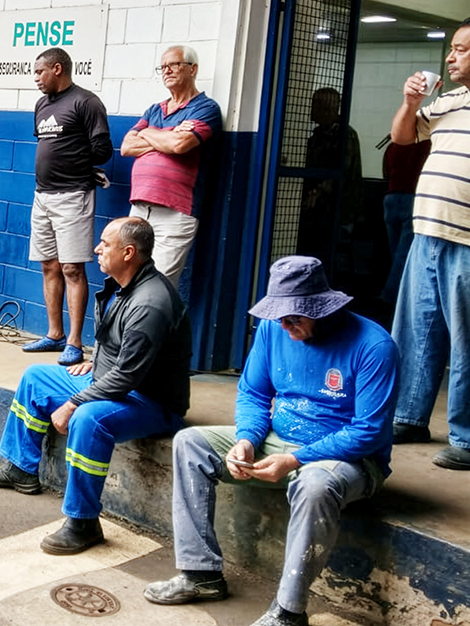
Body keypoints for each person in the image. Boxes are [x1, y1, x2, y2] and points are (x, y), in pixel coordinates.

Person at [144, 256, 396, 626]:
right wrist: (246, 439)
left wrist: (295, 460)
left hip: (350, 459)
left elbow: (368, 431)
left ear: (322, 309)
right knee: (190, 443)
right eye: (279, 317)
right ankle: (201, 574)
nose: (284, 326)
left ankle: (289, 612)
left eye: (294, 318)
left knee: (315, 485)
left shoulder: (374, 345)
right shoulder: (273, 328)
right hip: (280, 440)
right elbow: (253, 394)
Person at [0, 217, 191, 554]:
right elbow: (118, 348)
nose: (97, 249)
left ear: (128, 253)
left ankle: (83, 522)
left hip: (151, 401)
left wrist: (74, 402)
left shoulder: (151, 302)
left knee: (88, 419)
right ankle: (21, 469)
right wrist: (98, 361)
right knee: (36, 378)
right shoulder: (123, 284)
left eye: (105, 243)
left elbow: (128, 377)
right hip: (114, 381)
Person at [388, 17, 470, 470]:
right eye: (452, 48)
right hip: (427, 233)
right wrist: (410, 103)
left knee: (466, 341)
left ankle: (467, 438)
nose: (450, 57)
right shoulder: (449, 100)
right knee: (416, 330)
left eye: (461, 49)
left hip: (466, 239)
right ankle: (408, 417)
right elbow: (403, 137)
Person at [22, 47, 113, 366]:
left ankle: (74, 342)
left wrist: (75, 165)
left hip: (74, 195)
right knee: (48, 265)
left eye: (40, 72)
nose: (36, 78)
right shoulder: (42, 105)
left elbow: (102, 150)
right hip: (42, 195)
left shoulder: (86, 102)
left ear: (57, 69)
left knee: (72, 268)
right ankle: (55, 334)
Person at [120, 45, 223, 285]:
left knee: (159, 285)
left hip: (176, 212)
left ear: (192, 69)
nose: (167, 70)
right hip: (140, 208)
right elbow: (126, 147)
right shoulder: (155, 110)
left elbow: (179, 145)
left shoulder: (206, 108)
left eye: (174, 64)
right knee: (128, 277)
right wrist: (168, 133)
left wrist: (147, 132)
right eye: (163, 67)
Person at [296, 87, 362, 274]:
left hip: (338, 210)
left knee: (333, 255)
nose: (311, 109)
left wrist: (318, 192)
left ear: (328, 109)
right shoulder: (317, 136)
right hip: (316, 211)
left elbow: (344, 170)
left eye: (316, 105)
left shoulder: (345, 135)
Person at [379, 138, 430, 305]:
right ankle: (393, 296)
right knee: (404, 254)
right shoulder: (426, 146)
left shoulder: (393, 146)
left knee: (395, 252)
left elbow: (386, 172)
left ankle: (396, 294)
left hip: (391, 198)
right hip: (413, 199)